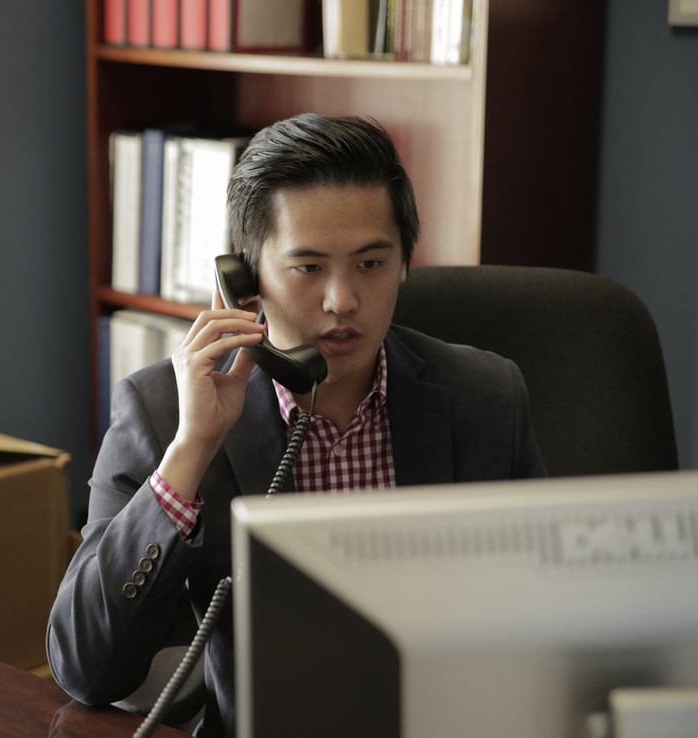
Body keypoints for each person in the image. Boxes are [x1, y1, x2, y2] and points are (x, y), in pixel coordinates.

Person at [47, 113, 546, 737]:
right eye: (308, 268)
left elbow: (541, 618)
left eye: (370, 264)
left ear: (405, 265)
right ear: (246, 279)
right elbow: (85, 668)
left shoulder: (486, 396)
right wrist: (192, 451)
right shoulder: (163, 412)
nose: (342, 300)